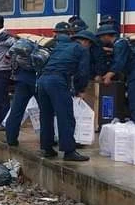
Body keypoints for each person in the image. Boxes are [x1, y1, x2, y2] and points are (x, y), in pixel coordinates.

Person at [37, 30, 94, 161]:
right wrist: (81, 89)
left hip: (42, 80)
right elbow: (83, 72)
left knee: (46, 115)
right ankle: (69, 152)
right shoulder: (82, 49)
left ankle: (47, 148)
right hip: (57, 81)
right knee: (65, 116)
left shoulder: (60, 46)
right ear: (86, 42)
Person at [99, 26, 135, 123]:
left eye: (101, 37)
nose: (100, 39)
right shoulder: (121, 42)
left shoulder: (119, 45)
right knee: (134, 98)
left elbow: (119, 62)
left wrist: (108, 75)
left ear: (106, 36)